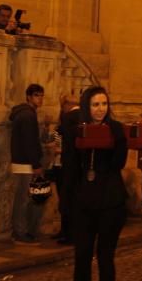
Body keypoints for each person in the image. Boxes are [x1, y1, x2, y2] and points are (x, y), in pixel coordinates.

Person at [55, 86, 129, 281]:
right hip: (83, 202)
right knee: (81, 258)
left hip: (110, 201)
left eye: (104, 104)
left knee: (106, 257)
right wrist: (65, 201)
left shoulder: (116, 129)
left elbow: (119, 162)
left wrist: (106, 140)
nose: (100, 109)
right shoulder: (76, 129)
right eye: (96, 104)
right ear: (87, 106)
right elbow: (69, 166)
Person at [9, 84, 45, 244]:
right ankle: (20, 232)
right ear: (29, 97)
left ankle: (22, 231)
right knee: (24, 199)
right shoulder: (27, 116)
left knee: (25, 198)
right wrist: (36, 164)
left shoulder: (26, 114)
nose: (40, 98)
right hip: (25, 163)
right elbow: (29, 142)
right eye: (37, 95)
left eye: (41, 95)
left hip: (23, 161)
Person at [55, 96, 82, 245]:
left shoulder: (68, 117)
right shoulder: (85, 116)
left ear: (67, 105)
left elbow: (65, 141)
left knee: (67, 199)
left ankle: (68, 234)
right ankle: (72, 232)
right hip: (80, 165)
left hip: (69, 164)